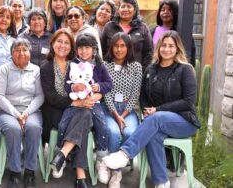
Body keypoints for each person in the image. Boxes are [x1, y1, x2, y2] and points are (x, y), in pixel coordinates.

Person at [103, 31, 200, 188]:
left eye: (171, 46)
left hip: (184, 120)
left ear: (177, 49)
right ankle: (161, 182)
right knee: (154, 133)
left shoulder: (185, 69)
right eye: (164, 45)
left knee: (156, 118)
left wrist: (158, 110)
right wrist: (147, 109)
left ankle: (124, 154)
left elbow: (189, 102)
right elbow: (143, 95)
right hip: (158, 121)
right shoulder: (151, 69)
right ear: (158, 47)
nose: (167, 49)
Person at [52, 34, 112, 188]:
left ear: (94, 49)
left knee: (102, 124)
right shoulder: (73, 64)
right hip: (77, 103)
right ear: (76, 50)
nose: (84, 51)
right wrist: (73, 87)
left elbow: (108, 84)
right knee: (64, 123)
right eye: (80, 48)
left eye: (87, 48)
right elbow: (67, 85)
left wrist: (97, 89)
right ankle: (73, 168)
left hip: (93, 103)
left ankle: (97, 157)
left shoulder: (99, 65)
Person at [0, 39, 44, 188]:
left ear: (30, 53)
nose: (21, 53)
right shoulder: (4, 69)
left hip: (30, 110)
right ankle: (15, 171)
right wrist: (16, 114)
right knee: (13, 129)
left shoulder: (36, 70)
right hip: (6, 111)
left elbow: (40, 96)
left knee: (34, 128)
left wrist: (26, 113)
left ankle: (30, 171)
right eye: (17, 50)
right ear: (11, 53)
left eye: (25, 49)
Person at [100, 32, 142, 187]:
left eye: (122, 46)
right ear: (111, 48)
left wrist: (123, 114)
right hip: (109, 109)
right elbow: (106, 93)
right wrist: (116, 115)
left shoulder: (136, 67)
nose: (119, 49)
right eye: (116, 46)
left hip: (128, 110)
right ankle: (114, 171)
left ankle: (115, 170)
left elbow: (135, 93)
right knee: (113, 132)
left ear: (128, 47)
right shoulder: (105, 66)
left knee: (130, 132)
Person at [40, 29, 75, 145]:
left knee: (83, 118)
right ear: (52, 43)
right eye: (59, 41)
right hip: (53, 109)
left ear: (71, 47)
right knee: (74, 122)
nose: (63, 46)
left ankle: (64, 154)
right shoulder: (46, 67)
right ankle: (65, 154)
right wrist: (74, 102)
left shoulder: (76, 65)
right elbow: (52, 98)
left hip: (73, 107)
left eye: (67, 43)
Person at [101, 0, 153, 70]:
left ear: (135, 10)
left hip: (135, 73)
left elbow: (149, 52)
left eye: (129, 6)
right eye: (123, 6)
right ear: (118, 9)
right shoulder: (109, 26)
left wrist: (143, 70)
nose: (125, 9)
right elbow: (102, 50)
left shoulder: (142, 28)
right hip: (111, 72)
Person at [150, 0, 196, 66]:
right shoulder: (152, 31)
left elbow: (190, 52)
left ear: (175, 12)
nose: (165, 12)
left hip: (176, 69)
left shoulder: (181, 31)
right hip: (156, 68)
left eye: (169, 10)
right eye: (163, 10)